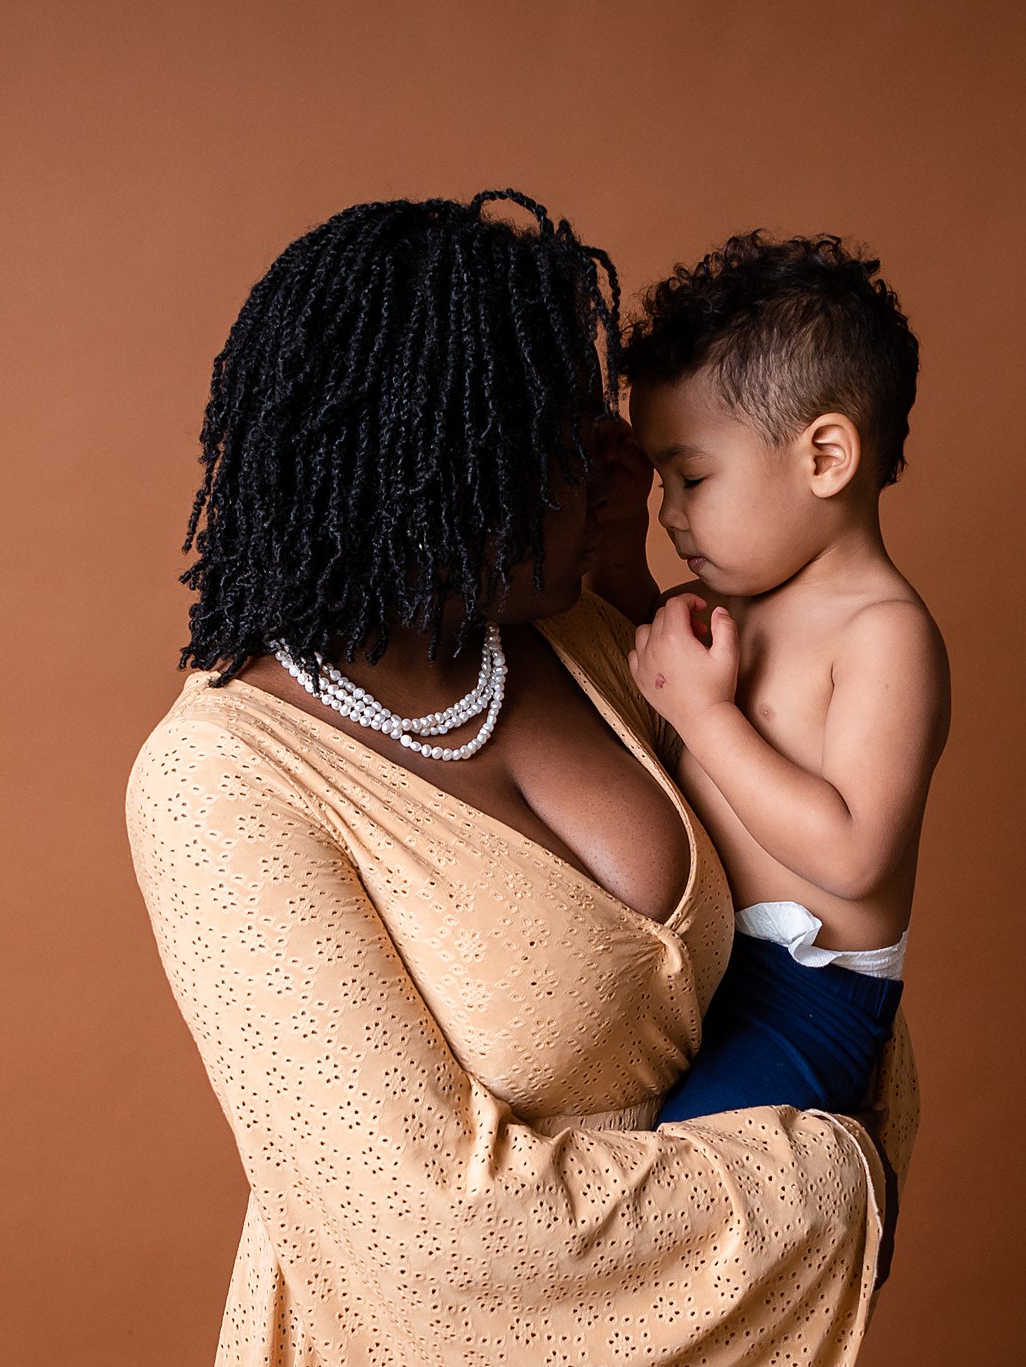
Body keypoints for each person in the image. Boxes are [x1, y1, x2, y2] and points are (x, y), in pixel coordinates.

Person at [123, 191, 919, 1366]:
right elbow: (440, 1237)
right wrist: (832, 1175)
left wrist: (622, 568)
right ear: (441, 470)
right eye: (559, 441)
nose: (610, 460)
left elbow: (806, 902)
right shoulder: (220, 785)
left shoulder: (584, 634)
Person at [585, 230, 949, 1130]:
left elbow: (856, 853)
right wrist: (621, 561)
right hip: (698, 964)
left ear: (826, 457)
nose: (672, 510)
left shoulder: (883, 636)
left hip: (805, 999)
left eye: (693, 476)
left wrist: (707, 716)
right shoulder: (727, 599)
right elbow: (652, 682)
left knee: (686, 1181)